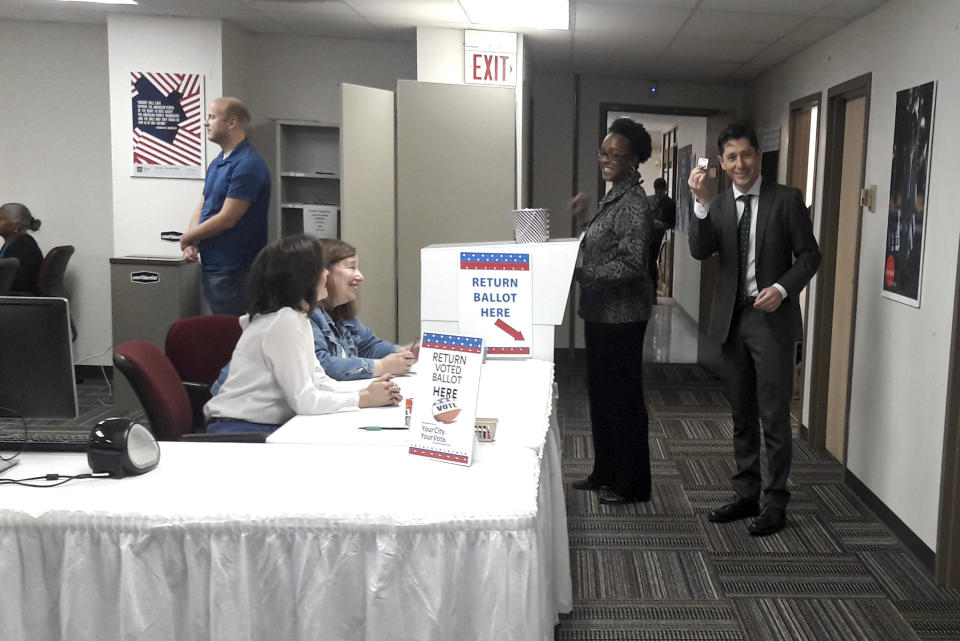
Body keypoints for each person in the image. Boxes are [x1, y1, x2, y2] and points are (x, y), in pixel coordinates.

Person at [687, 123, 821, 536]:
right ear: (722, 165)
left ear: (758, 156)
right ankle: (747, 494)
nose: (740, 163)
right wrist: (700, 204)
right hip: (732, 321)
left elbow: (810, 256)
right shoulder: (720, 204)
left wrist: (782, 289)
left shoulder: (787, 201)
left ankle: (776, 501)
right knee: (741, 412)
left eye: (746, 155)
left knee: (774, 415)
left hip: (771, 321)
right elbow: (699, 249)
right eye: (731, 157)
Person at [204, 235, 402, 434]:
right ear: (303, 277)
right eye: (321, 268)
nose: (326, 274)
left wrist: (366, 391)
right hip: (241, 429)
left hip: (258, 425)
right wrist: (364, 399)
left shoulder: (296, 317)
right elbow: (304, 401)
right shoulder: (285, 321)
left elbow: (319, 381)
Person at [569, 117, 655, 505]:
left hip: (622, 317)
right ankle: (605, 470)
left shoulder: (635, 202)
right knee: (602, 396)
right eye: (603, 152)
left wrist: (582, 274)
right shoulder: (614, 195)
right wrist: (585, 221)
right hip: (602, 314)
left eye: (615, 155)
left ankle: (632, 484)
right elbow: (607, 242)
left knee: (623, 401)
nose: (606, 159)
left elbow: (631, 263)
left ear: (633, 160)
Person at [180, 97, 270, 315]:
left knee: (234, 336)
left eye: (211, 117)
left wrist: (187, 238)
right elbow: (204, 203)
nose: (205, 122)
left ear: (231, 123)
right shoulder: (218, 162)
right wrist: (193, 238)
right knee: (223, 334)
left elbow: (228, 218)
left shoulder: (248, 164)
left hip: (235, 270)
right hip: (215, 265)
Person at [312, 239, 418, 380]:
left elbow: (368, 346)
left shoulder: (343, 315)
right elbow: (322, 366)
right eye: (351, 267)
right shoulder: (308, 315)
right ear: (324, 272)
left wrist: (402, 352)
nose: (360, 276)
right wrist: (381, 366)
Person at [0, 203, 43, 293]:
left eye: (1, 219)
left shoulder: (24, 247)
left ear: (17, 225)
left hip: (17, 298)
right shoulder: (14, 243)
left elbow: (12, 281)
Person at [649, 177, 677, 291]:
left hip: (658, 237)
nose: (657, 194)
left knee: (652, 262)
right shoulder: (648, 200)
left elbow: (673, 223)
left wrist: (662, 225)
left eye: (660, 192)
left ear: (665, 190)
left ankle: (652, 292)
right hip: (646, 235)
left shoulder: (671, 204)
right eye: (656, 191)